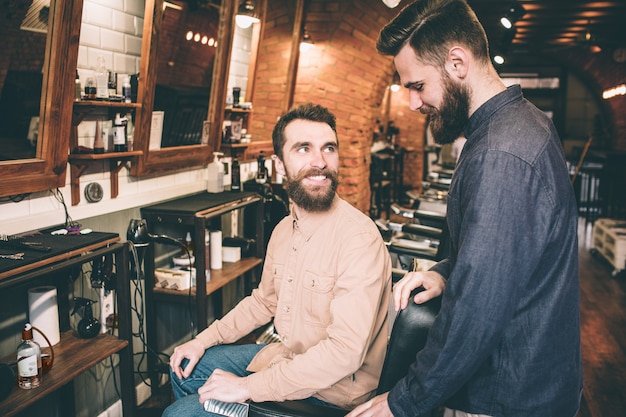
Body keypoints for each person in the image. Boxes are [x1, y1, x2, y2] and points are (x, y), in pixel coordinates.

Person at [348, 1, 582, 416]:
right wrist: (445, 272)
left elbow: (477, 310)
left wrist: (402, 402)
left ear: (457, 62)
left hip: (507, 396)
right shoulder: (520, 123)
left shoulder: (501, 153)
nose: (412, 103)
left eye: (417, 85)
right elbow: (506, 258)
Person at [163, 103, 398, 416]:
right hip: (288, 357)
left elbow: (344, 354)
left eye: (329, 148)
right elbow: (264, 302)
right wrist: (202, 341)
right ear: (279, 164)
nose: (320, 162)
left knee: (178, 414)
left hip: (330, 394)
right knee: (186, 367)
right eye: (303, 148)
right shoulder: (285, 230)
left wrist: (246, 387)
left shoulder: (359, 240)